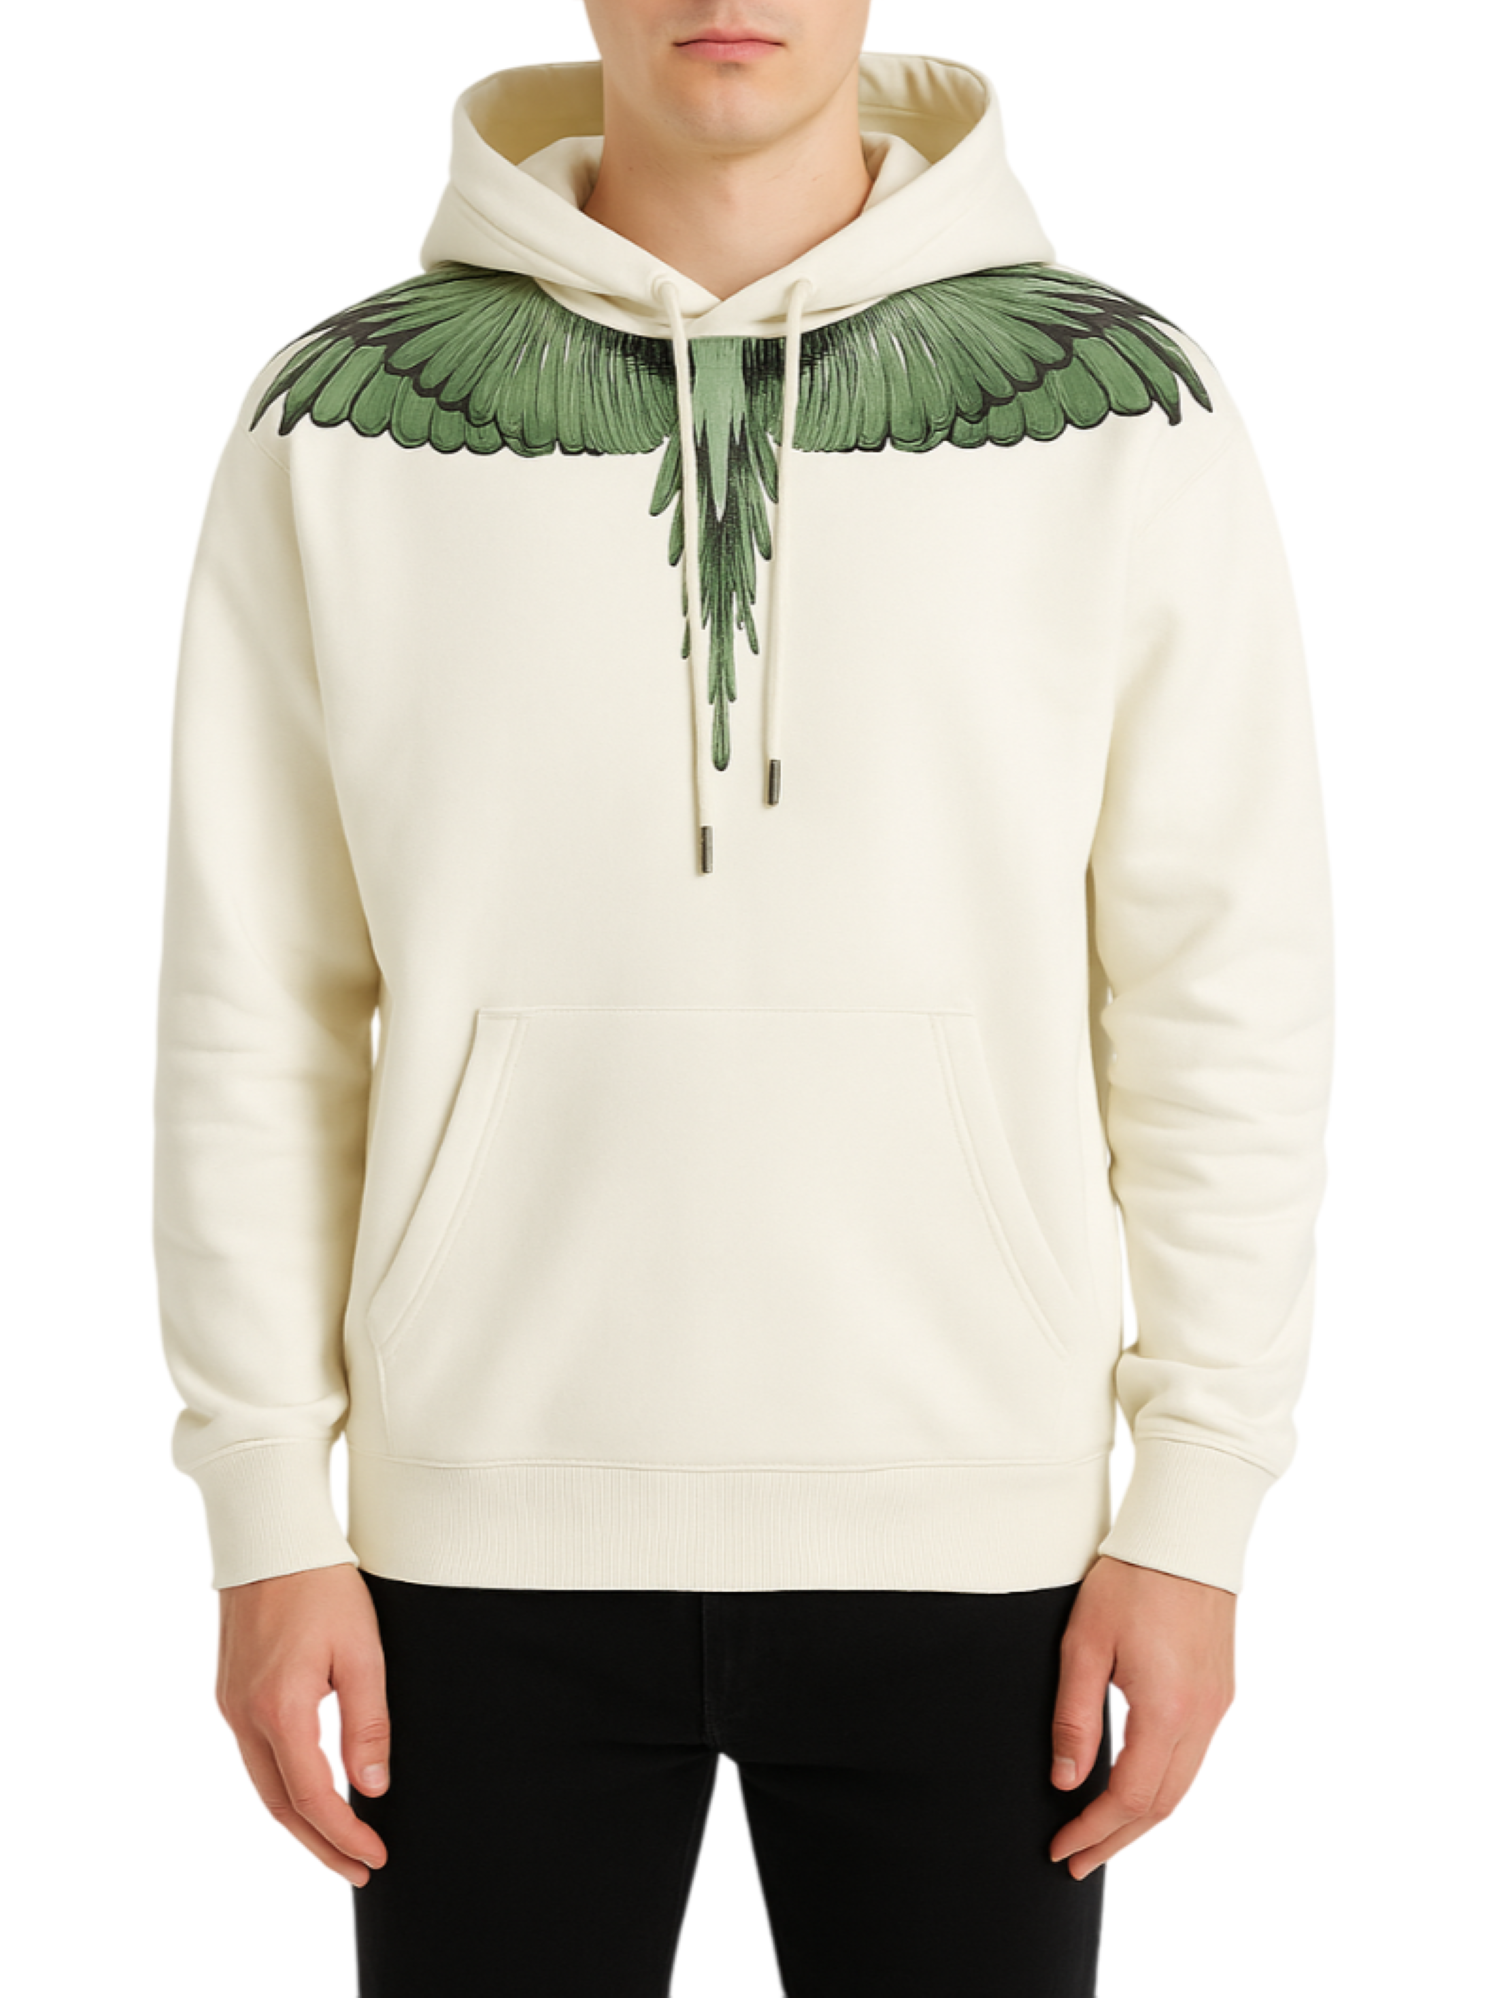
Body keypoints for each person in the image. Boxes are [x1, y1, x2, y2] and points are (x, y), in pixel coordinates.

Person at [152, 4, 1336, 1992]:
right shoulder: (339, 424)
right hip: (475, 1536)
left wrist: (1198, 1499)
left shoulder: (1127, 413)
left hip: (980, 1535)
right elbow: (255, 998)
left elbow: (1222, 982)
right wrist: (267, 1506)